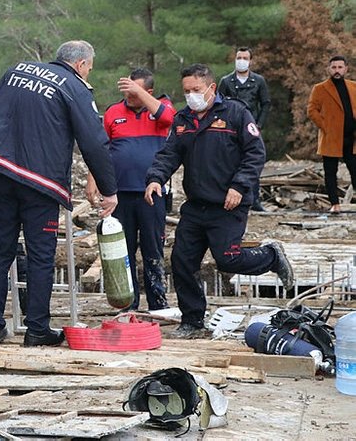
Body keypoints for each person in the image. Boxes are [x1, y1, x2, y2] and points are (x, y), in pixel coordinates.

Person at [0, 40, 118, 347]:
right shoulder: (74, 87)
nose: (88, 73)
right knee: (40, 256)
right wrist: (109, 189)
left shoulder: (15, 71)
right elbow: (94, 142)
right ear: (80, 65)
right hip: (40, 182)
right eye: (89, 68)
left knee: (0, 250)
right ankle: (37, 328)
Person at [145, 64, 294, 339]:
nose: (191, 95)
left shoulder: (235, 114)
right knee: (182, 261)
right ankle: (192, 321)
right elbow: (168, 155)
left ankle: (271, 255)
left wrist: (239, 186)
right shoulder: (182, 121)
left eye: (196, 90)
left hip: (229, 204)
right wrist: (155, 178)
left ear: (211, 88)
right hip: (196, 205)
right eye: (186, 91)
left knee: (228, 259)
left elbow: (255, 153)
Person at [86, 68, 173, 311]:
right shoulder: (114, 112)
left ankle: (158, 304)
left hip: (151, 193)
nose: (129, 97)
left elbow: (170, 119)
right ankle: (128, 303)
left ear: (149, 92)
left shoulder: (161, 108)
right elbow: (100, 150)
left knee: (152, 248)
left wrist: (141, 95)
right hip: (119, 194)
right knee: (123, 249)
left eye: (135, 92)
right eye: (127, 92)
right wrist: (93, 180)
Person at [217, 47, 271, 211]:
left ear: (250, 61)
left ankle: (254, 200)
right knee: (230, 161)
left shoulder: (258, 81)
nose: (241, 60)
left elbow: (266, 103)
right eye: (239, 57)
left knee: (252, 161)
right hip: (230, 128)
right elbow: (218, 103)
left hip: (251, 126)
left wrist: (259, 124)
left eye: (245, 58)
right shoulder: (226, 81)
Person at [307, 55, 356, 213]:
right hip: (331, 137)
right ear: (329, 69)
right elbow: (311, 110)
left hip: (352, 137)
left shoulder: (353, 86)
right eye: (334, 67)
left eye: (340, 67)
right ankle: (334, 204)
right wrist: (325, 126)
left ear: (346, 69)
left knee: (354, 169)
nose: (337, 70)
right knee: (330, 172)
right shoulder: (320, 88)